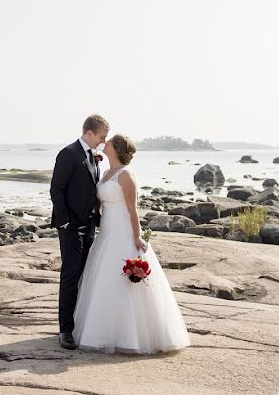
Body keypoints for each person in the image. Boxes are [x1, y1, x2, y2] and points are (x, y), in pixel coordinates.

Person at [72, 133, 191, 354]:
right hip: (105, 233)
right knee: (102, 282)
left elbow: (132, 209)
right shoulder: (106, 173)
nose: (104, 143)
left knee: (123, 285)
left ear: (116, 149)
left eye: (109, 142)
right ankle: (101, 332)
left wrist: (136, 238)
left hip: (123, 233)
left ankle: (129, 337)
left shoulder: (126, 175)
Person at [50, 114, 110, 350]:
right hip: (70, 228)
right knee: (70, 276)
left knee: (84, 276)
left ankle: (79, 325)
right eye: (102, 137)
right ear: (89, 133)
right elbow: (56, 189)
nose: (103, 142)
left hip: (89, 227)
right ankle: (65, 330)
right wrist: (64, 222)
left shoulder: (93, 157)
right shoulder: (69, 154)